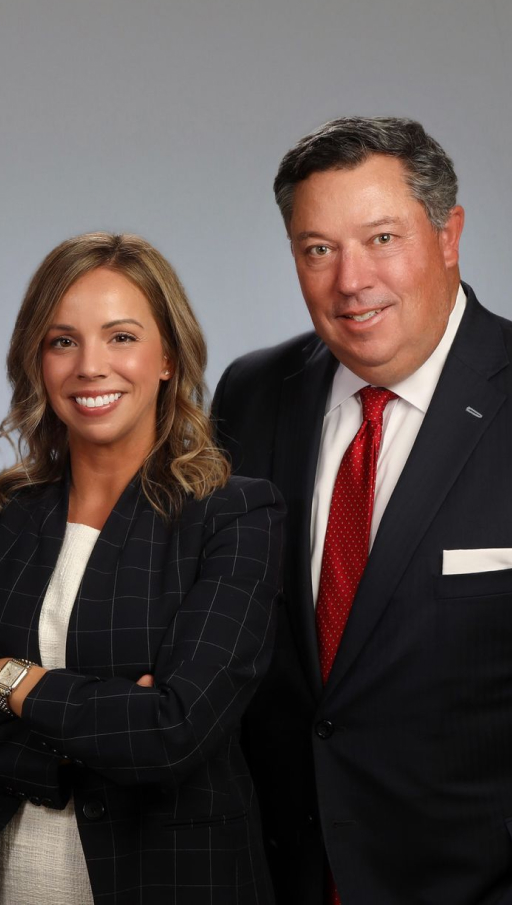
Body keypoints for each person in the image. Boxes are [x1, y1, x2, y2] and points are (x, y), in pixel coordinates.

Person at [0, 233, 284, 904]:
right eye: (62, 341)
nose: (90, 367)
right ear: (37, 360)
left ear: (168, 357)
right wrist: (104, 732)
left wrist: (9, 679)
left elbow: (173, 731)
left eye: (121, 337)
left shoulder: (235, 515)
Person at [214, 116, 512, 903]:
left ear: (448, 235)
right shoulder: (252, 394)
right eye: (318, 249)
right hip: (283, 873)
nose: (350, 281)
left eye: (382, 239)